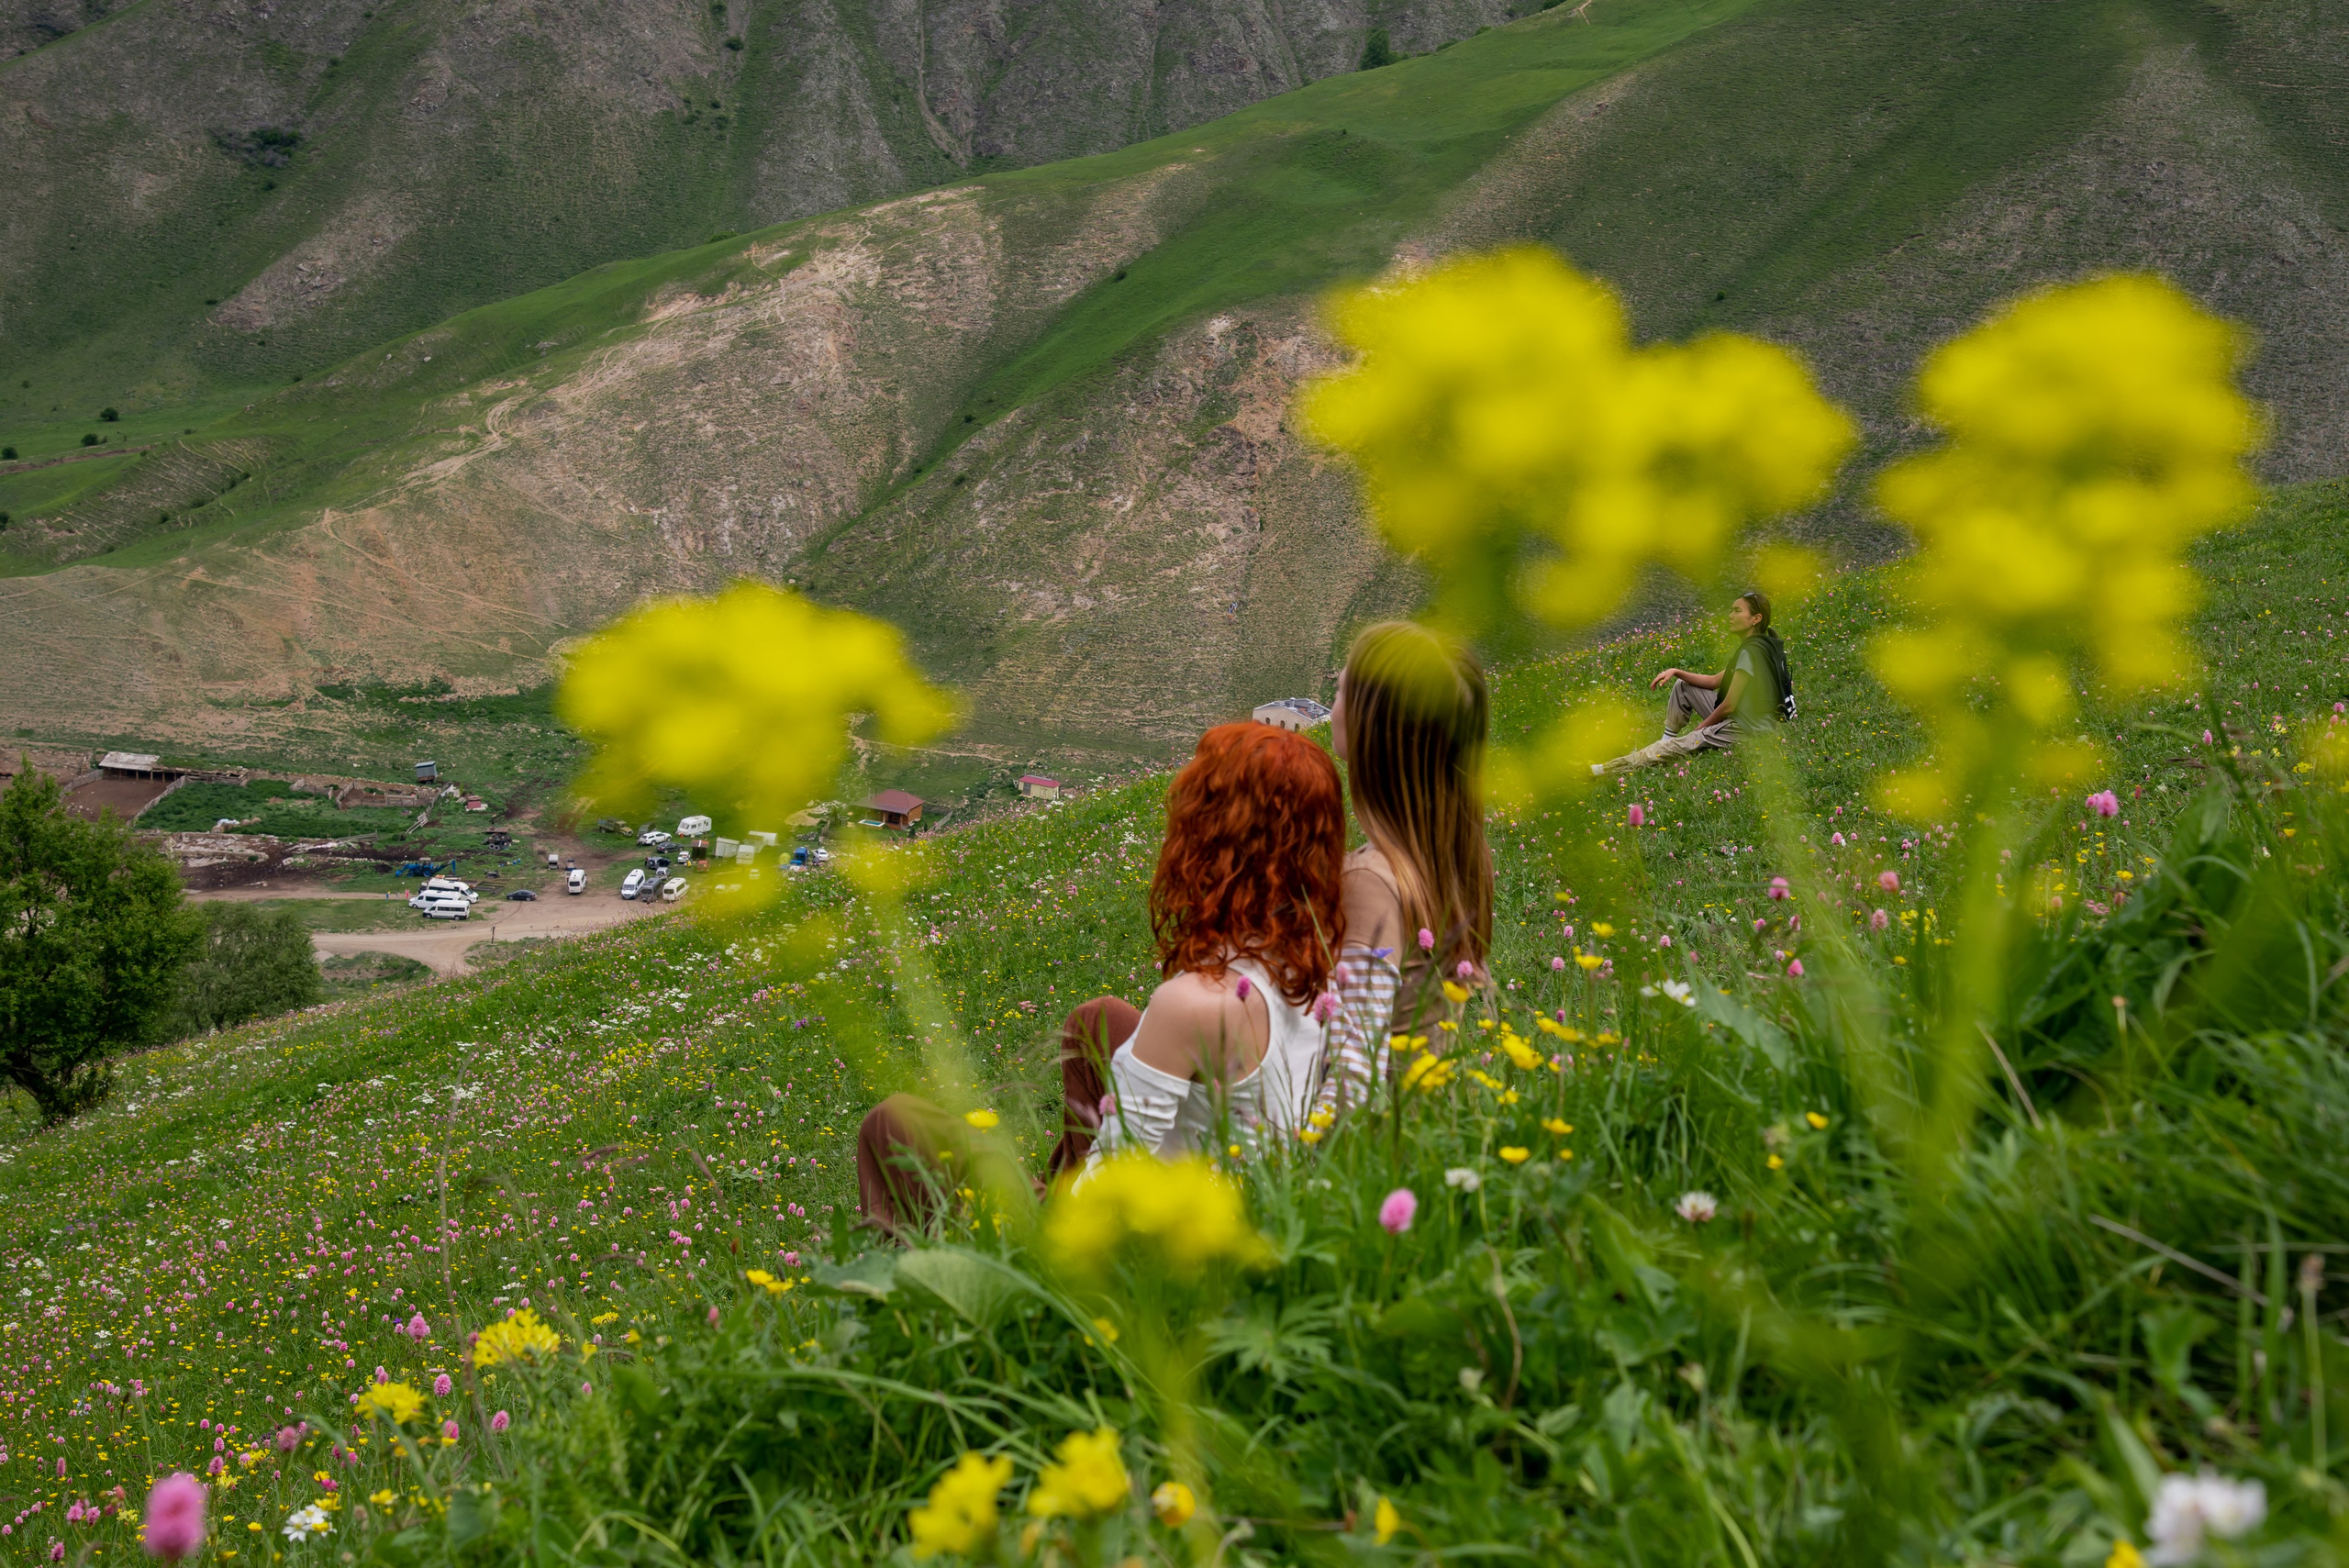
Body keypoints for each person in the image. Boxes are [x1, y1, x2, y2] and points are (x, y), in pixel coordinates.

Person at [856, 721, 1346, 1235]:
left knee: (892, 1123)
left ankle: (937, 1271)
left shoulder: (1193, 1004)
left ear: (1207, 841)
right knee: (1099, 1020)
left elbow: (1106, 1192)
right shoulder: (1323, 964)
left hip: (1135, 1245)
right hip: (1247, 1202)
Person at [1314, 620, 1495, 1116]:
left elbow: (1349, 1076)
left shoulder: (1371, 880)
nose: (1332, 706)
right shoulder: (1454, 851)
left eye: (1341, 691)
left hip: (1374, 1139)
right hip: (1424, 1118)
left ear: (1373, 726)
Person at [1593, 589, 1794, 776]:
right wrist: (1676, 671)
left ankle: (1600, 770)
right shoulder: (1761, 646)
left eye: (1737, 611)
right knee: (1683, 686)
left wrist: (1701, 729)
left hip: (1747, 728)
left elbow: (1729, 705)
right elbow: (1714, 681)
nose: (1730, 616)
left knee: (1675, 746)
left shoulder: (1751, 652)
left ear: (1756, 619)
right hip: (1751, 718)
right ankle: (1667, 739)